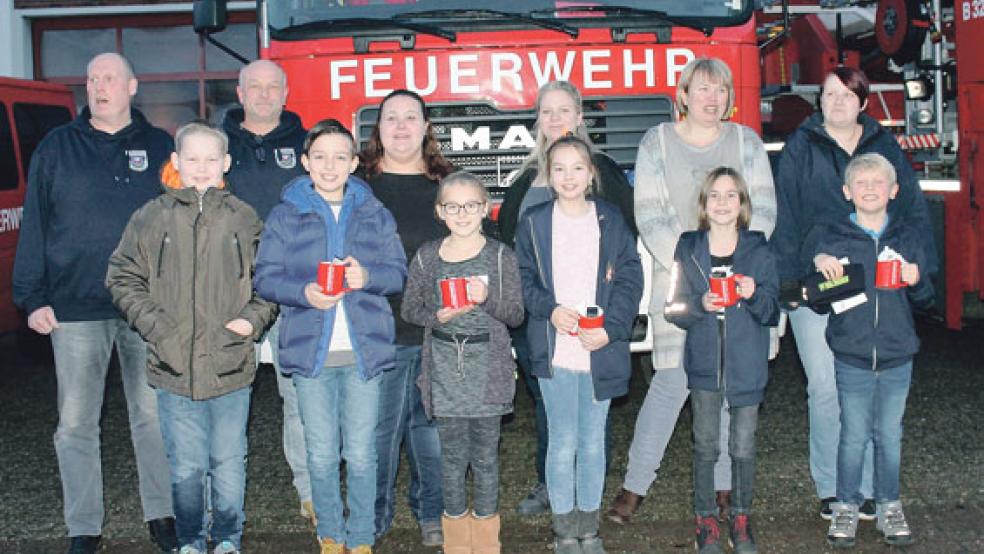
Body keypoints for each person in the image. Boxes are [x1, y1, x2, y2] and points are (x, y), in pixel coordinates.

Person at [11, 52, 176, 554]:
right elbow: (35, 223)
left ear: (132, 86)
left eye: (109, 78)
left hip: (145, 308)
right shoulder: (57, 147)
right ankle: (84, 526)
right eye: (91, 79)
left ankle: (162, 514)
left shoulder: (161, 146)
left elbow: (183, 222)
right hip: (74, 308)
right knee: (75, 424)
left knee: (152, 416)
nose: (98, 86)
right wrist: (31, 296)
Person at [611, 57, 776, 525]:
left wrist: (737, 264)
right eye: (701, 89)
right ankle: (635, 484)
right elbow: (650, 214)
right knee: (671, 382)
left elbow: (762, 209)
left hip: (740, 281)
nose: (711, 99)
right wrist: (695, 266)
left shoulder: (747, 142)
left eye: (720, 90)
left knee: (727, 382)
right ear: (682, 95)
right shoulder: (657, 142)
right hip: (680, 278)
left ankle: (723, 488)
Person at [771, 66, 936, 520]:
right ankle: (831, 487)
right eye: (828, 94)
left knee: (866, 390)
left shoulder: (884, 146)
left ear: (863, 101)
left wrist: (919, 270)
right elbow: (785, 216)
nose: (837, 102)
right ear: (818, 101)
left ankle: (862, 490)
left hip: (873, 288)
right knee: (825, 388)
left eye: (847, 95)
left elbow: (913, 212)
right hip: (819, 281)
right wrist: (790, 283)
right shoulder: (800, 146)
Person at [106, 121, 277, 554]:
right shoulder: (150, 217)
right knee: (185, 464)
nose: (201, 168)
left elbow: (271, 280)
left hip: (230, 364)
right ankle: (189, 539)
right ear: (177, 162)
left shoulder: (243, 217)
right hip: (173, 366)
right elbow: (122, 276)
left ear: (226, 163)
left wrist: (251, 321)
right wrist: (157, 327)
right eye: (192, 159)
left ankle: (227, 537)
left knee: (227, 462)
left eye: (210, 159)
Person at [254, 119, 407, 554]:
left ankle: (360, 539)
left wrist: (367, 276)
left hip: (364, 353)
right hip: (311, 354)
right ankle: (330, 537)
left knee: (361, 454)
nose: (330, 165)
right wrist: (302, 292)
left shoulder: (374, 212)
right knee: (321, 455)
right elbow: (265, 277)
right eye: (319, 156)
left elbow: (398, 272)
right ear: (304, 162)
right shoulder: (286, 213)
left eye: (341, 156)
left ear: (355, 163)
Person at [496, 80, 636, 515]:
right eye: (546, 111)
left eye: (563, 110)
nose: (554, 119)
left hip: (593, 329)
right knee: (550, 411)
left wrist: (611, 323)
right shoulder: (523, 185)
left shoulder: (606, 180)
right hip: (541, 321)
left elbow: (625, 253)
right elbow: (510, 253)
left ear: (580, 116)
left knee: (589, 425)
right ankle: (551, 488)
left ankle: (586, 504)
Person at [515, 136, 643, 554]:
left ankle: (589, 528)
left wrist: (613, 327)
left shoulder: (608, 218)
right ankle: (563, 530)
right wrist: (549, 310)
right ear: (549, 176)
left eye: (577, 168)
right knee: (563, 440)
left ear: (591, 174)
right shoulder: (534, 222)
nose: (568, 177)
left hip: (598, 346)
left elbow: (629, 276)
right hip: (555, 350)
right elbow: (523, 278)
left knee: (592, 441)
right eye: (559, 169)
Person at [805, 154, 933, 548]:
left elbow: (928, 297)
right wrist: (821, 265)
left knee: (890, 435)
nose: (870, 189)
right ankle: (846, 506)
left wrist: (915, 278)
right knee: (853, 434)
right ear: (847, 192)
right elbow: (818, 302)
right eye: (861, 183)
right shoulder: (835, 238)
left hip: (897, 354)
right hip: (852, 353)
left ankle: (889, 505)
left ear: (894, 191)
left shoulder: (908, 237)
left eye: (879, 183)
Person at [401, 171, 525, 554]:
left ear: (486, 208)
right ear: (440, 211)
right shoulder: (427, 256)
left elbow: (516, 314)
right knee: (452, 460)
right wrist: (437, 315)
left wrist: (485, 297)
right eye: (453, 206)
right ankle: (456, 542)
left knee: (486, 459)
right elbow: (410, 308)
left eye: (471, 205)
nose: (462, 213)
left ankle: (487, 543)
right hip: (444, 373)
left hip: (488, 372)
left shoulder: (501, 255)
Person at [663, 168, 779, 554]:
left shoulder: (759, 248)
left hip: (748, 364)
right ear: (703, 204)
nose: (723, 203)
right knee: (705, 446)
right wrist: (700, 304)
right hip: (703, 364)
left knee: (744, 446)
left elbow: (772, 311)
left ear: (743, 204)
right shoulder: (688, 246)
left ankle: (742, 518)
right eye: (715, 195)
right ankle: (706, 518)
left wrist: (751, 292)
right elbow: (673, 307)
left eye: (732, 195)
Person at [221, 59, 314, 523]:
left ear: (285, 91)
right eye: (253, 87)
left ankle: (309, 492)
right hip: (231, 295)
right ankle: (225, 502)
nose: (262, 94)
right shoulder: (215, 147)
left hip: (293, 293)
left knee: (298, 397)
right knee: (227, 398)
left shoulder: (308, 146)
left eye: (271, 86)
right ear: (239, 93)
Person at [361, 89, 454, 546]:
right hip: (380, 331)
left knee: (431, 432)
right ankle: (374, 518)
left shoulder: (449, 187)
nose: (401, 126)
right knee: (380, 434)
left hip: (437, 331)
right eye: (391, 118)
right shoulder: (359, 188)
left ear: (425, 127)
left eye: (410, 117)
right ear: (378, 130)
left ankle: (430, 512)